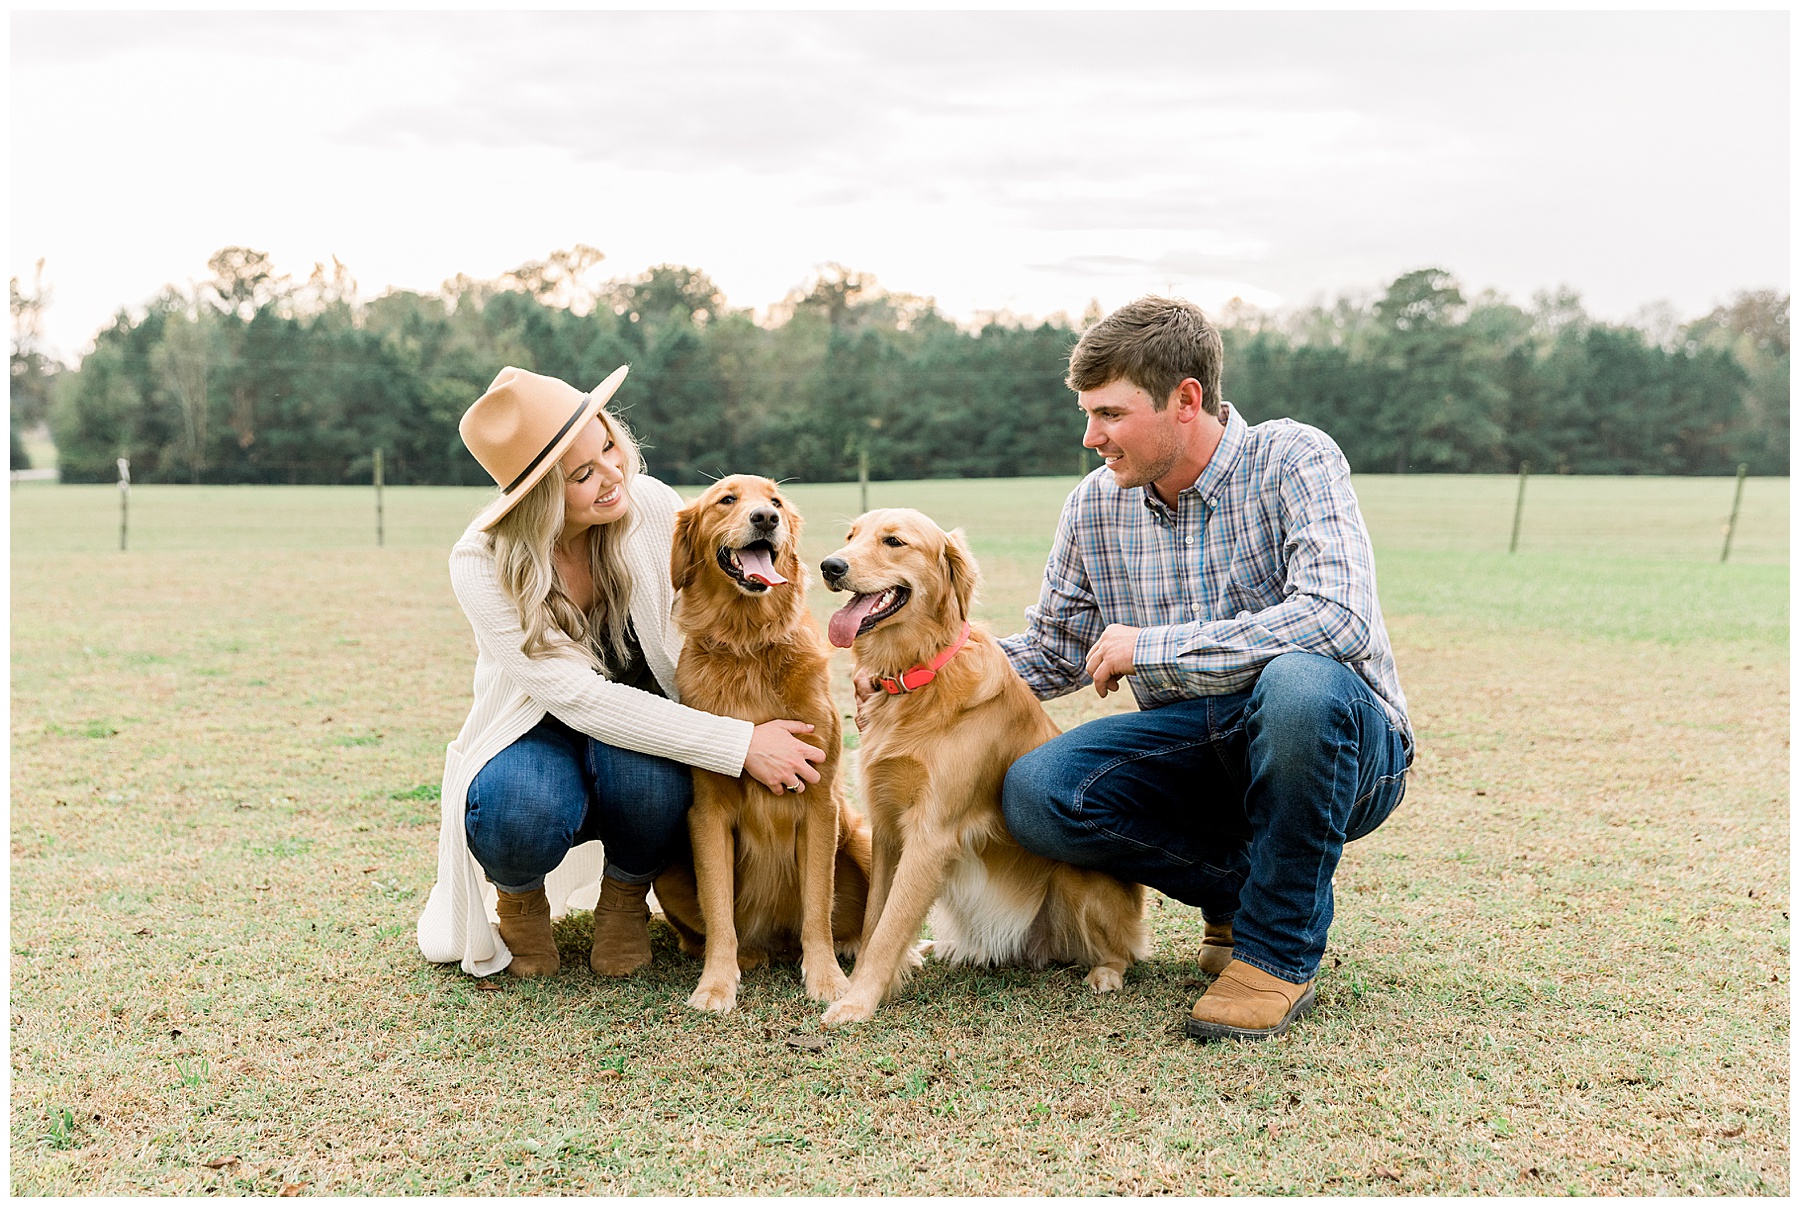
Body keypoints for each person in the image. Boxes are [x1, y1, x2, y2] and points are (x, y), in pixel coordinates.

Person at [992, 297, 1414, 1040]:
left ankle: (1276, 952)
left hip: (1338, 742)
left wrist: (1151, 645)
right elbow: (1055, 649)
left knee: (1297, 684)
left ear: (1185, 399)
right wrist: (929, 669)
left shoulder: (1295, 457)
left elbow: (1336, 617)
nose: (1091, 436)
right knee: (1037, 791)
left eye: (1111, 414)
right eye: (1089, 414)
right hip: (1197, 748)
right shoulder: (1093, 507)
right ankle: (1247, 888)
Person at [416, 365, 826, 979]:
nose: (613, 476)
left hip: (647, 715)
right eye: (582, 474)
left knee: (659, 785)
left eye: (609, 446)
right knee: (514, 809)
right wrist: (740, 744)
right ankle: (520, 903)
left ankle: (626, 899)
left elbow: (770, 590)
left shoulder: (653, 505)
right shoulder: (481, 559)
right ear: (537, 499)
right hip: (537, 727)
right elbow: (579, 699)